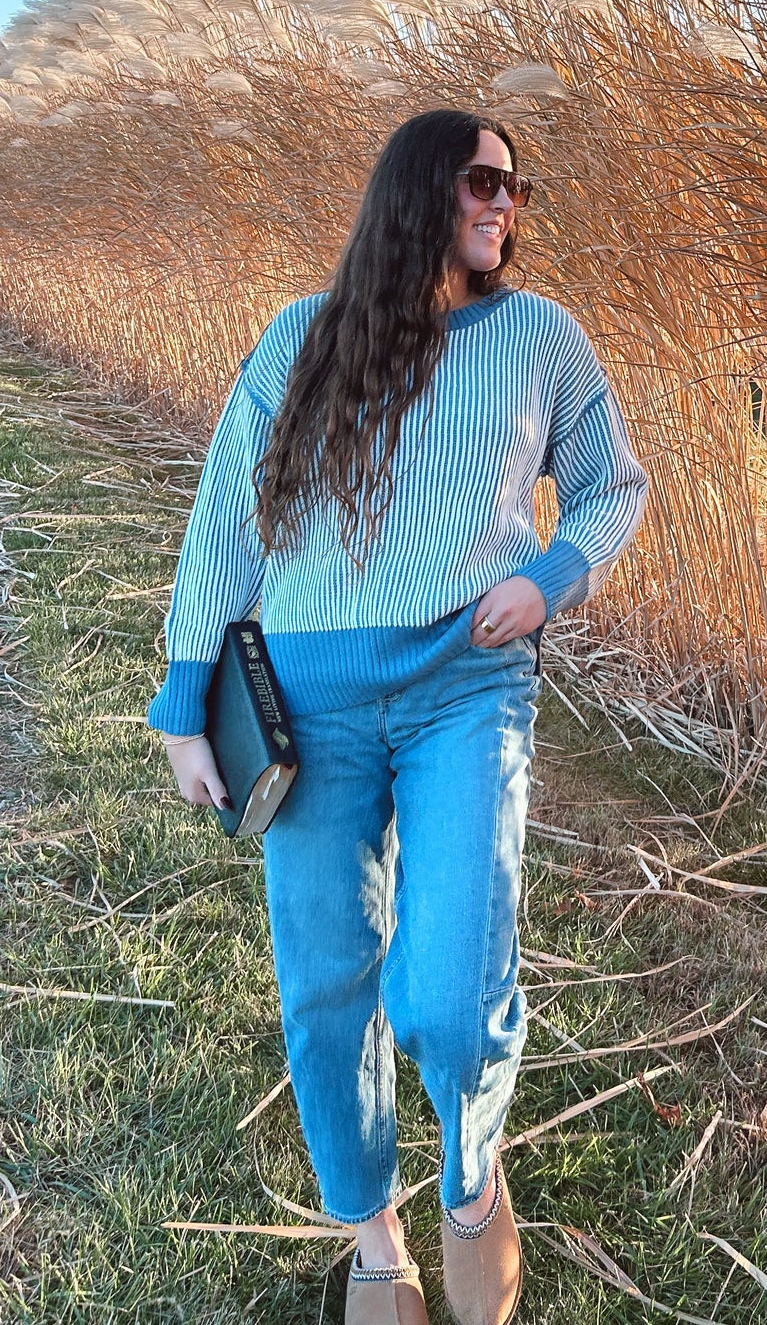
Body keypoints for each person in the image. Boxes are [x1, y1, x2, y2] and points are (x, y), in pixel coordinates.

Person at [148, 108, 650, 1325]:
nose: (505, 203)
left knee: (442, 995)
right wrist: (182, 696)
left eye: (516, 187)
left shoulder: (541, 336)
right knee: (325, 981)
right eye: (484, 179)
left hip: (464, 688)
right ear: (419, 188)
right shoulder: (299, 340)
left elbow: (611, 482)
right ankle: (376, 1243)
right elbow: (227, 518)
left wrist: (548, 576)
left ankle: (472, 1184)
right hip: (309, 703)